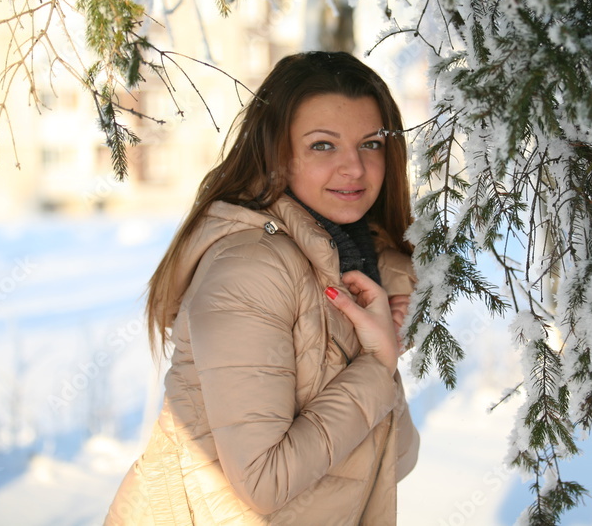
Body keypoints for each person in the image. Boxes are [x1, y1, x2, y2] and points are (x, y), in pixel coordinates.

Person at [104, 51, 419, 525]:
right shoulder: (250, 269)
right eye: (323, 145)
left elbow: (394, 460)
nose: (354, 167)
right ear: (277, 155)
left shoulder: (353, 264)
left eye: (370, 144)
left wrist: (382, 354)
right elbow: (264, 482)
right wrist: (376, 365)